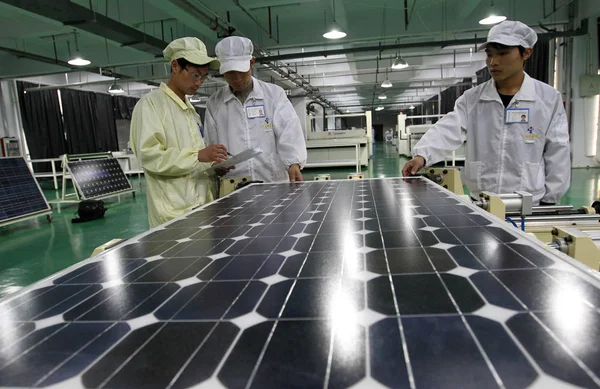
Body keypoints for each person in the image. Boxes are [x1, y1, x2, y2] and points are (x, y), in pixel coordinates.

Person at [402, 20, 570, 206]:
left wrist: (550, 200)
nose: (493, 62)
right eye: (489, 54)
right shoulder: (472, 99)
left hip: (528, 204)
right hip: (482, 201)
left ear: (527, 52)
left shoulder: (547, 99)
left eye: (503, 54)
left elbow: (558, 151)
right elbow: (448, 129)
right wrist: (422, 155)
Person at [130, 37, 230, 227]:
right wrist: (198, 156)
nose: (199, 82)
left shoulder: (190, 111)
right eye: (195, 75)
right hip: (172, 213)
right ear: (175, 66)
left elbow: (193, 160)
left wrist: (213, 166)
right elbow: (149, 156)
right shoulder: (151, 105)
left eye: (204, 76)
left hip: (201, 206)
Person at [205, 36, 307, 183]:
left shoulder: (274, 95)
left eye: (241, 71)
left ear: (252, 63)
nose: (237, 78)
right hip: (234, 185)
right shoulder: (214, 103)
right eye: (231, 73)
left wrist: (294, 163)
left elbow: (289, 131)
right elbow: (211, 145)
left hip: (272, 182)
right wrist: (216, 164)